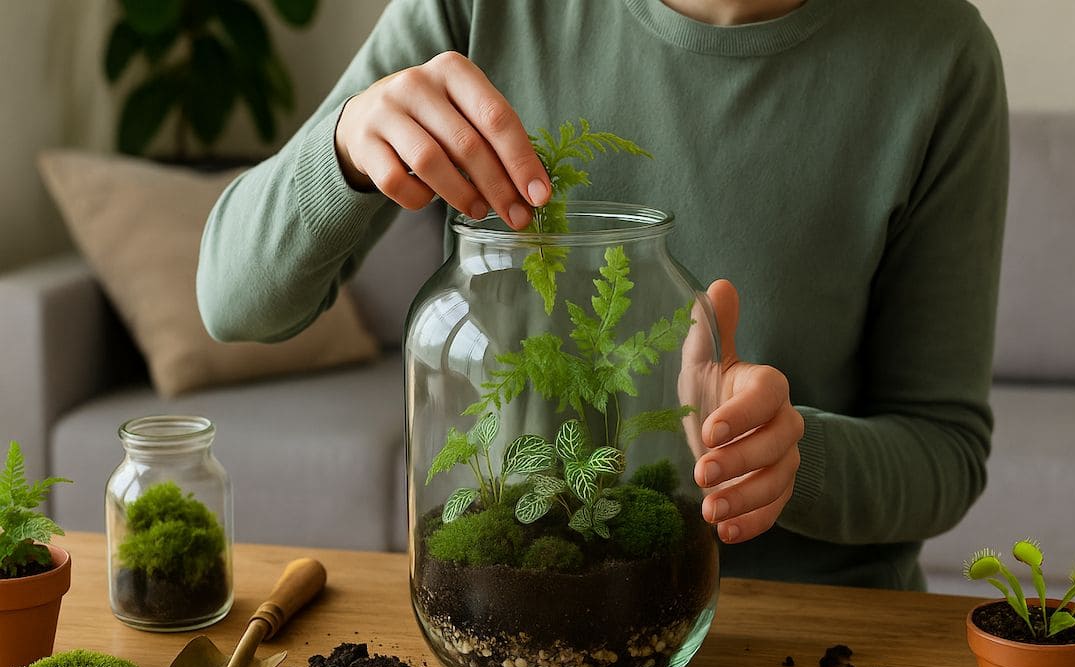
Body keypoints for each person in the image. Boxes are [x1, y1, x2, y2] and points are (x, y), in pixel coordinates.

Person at [199, 0, 1008, 589]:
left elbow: (945, 450)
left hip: (813, 641)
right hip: (516, 597)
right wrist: (344, 145)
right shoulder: (479, 9)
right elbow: (232, 300)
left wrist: (795, 459)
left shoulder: (939, 53)